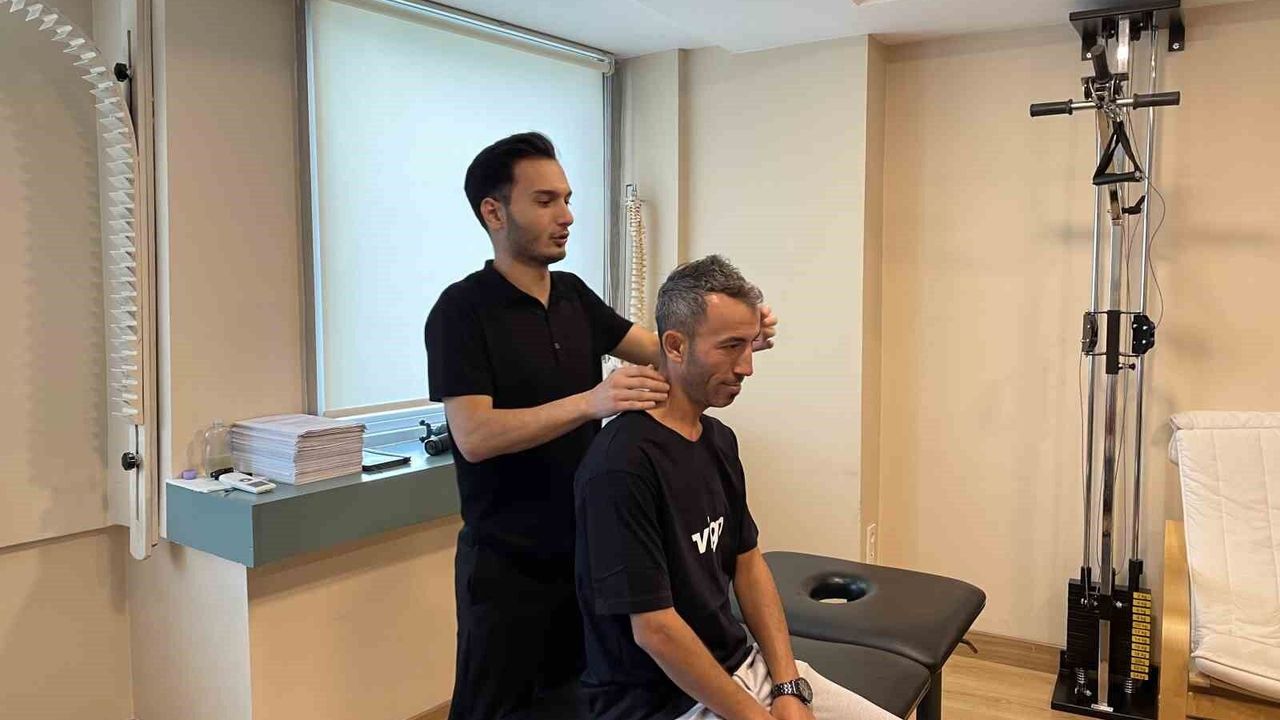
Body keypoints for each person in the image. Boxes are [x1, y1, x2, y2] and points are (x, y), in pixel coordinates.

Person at [425, 133, 777, 719]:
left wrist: (728, 340)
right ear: (494, 212)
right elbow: (475, 436)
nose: (566, 216)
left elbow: (668, 351)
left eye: (567, 199)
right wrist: (590, 402)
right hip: (511, 569)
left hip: (589, 555)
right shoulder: (461, 312)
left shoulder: (572, 296)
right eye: (545, 201)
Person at [574, 255, 893, 720]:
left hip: (743, 669)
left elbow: (748, 563)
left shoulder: (718, 440)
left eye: (750, 345)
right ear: (675, 346)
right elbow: (655, 630)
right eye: (730, 347)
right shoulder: (621, 465)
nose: (746, 367)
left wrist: (788, 686)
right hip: (664, 704)